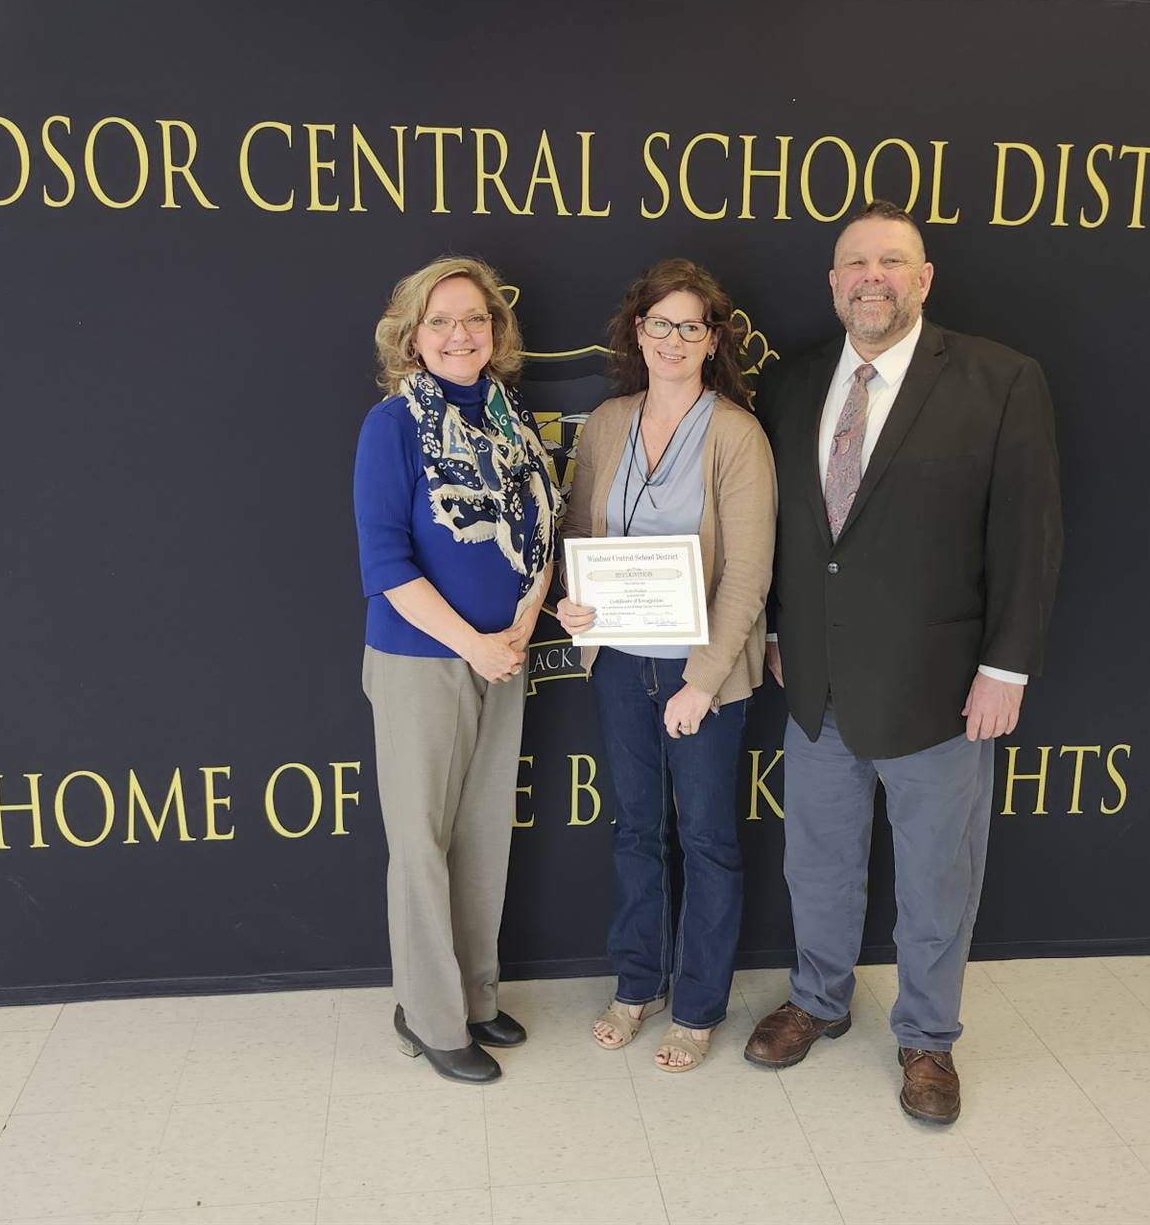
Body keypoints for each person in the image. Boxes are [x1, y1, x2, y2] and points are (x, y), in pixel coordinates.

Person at [744, 201, 1061, 1124]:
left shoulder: (1001, 380)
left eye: (892, 261)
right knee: (819, 865)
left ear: (923, 280)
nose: (871, 277)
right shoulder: (795, 384)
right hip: (817, 686)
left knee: (936, 879)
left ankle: (928, 1039)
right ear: (833, 283)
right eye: (854, 263)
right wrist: (771, 632)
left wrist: (1008, 669)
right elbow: (792, 535)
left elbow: (1029, 537)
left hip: (941, 693)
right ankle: (819, 1000)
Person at [554, 258, 776, 1073]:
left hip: (701, 680)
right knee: (634, 833)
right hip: (619, 666)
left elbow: (749, 573)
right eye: (659, 324)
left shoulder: (737, 434)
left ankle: (698, 1004)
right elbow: (580, 535)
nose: (673, 339)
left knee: (711, 840)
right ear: (636, 333)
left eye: (691, 326)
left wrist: (703, 683)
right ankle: (637, 981)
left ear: (713, 341)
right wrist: (574, 603)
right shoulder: (607, 422)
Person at [352, 255, 559, 1085]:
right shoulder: (392, 425)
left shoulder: (511, 417)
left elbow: (544, 530)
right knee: (421, 844)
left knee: (481, 840)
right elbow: (387, 563)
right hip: (422, 662)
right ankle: (430, 1019)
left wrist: (521, 625)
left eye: (474, 318)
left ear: (496, 332)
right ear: (411, 338)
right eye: (439, 322)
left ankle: (474, 999)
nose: (458, 334)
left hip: (501, 658)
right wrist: (473, 644)